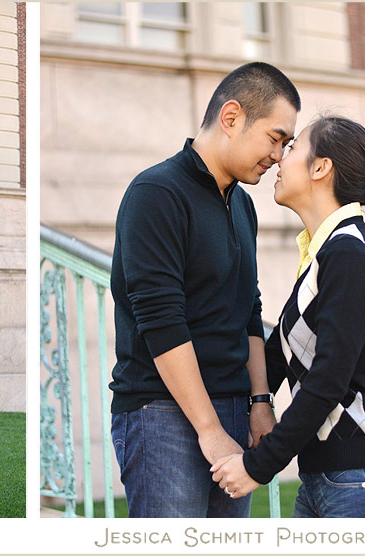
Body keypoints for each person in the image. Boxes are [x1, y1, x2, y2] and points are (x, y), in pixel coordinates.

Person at [109, 62, 300, 518]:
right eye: (275, 138)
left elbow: (248, 312)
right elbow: (160, 320)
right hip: (163, 415)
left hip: (234, 410)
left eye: (286, 145)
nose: (279, 156)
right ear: (231, 118)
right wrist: (209, 428)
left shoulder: (242, 207)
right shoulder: (156, 192)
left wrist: (259, 403)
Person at [210, 116, 365, 518]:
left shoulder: (349, 253)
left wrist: (258, 466)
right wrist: (252, 403)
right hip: (328, 480)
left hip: (363, 481)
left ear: (321, 168)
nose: (277, 159)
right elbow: (282, 353)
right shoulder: (325, 253)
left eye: (291, 149)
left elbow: (328, 378)